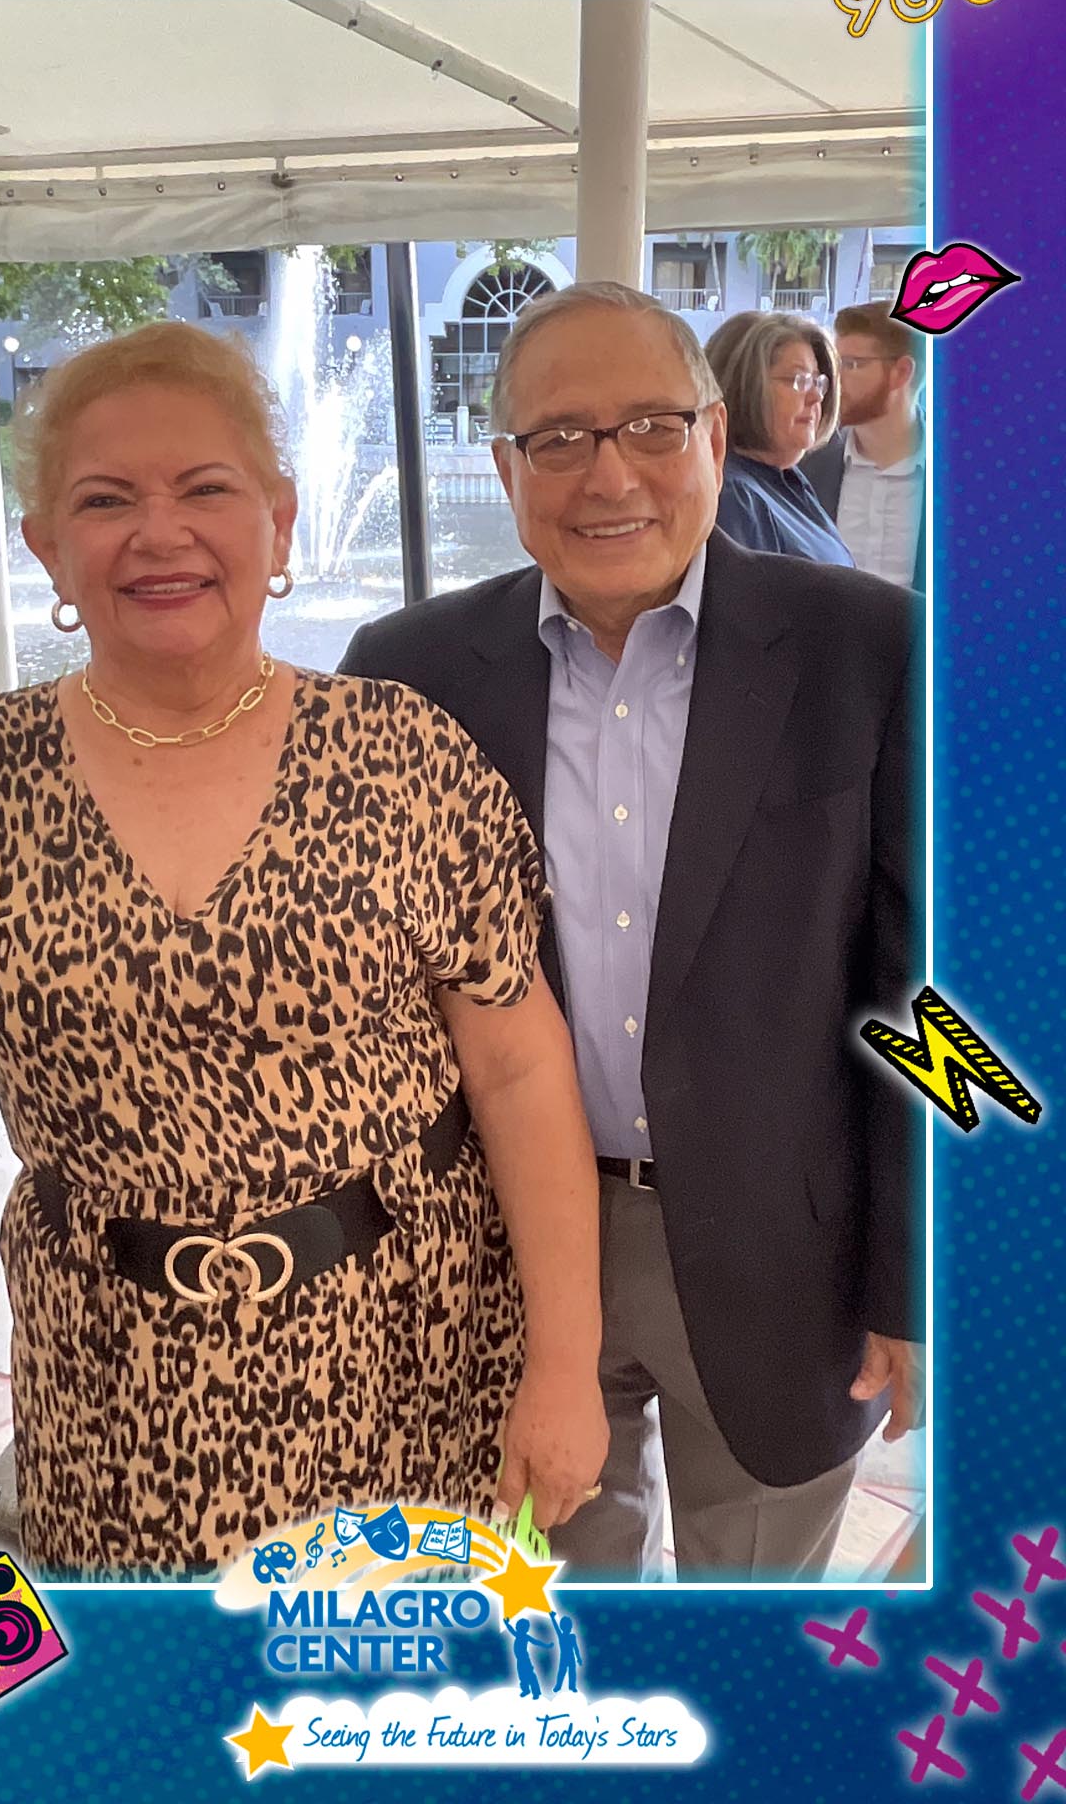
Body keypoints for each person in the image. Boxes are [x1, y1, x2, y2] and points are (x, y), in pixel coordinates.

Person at [0, 321, 607, 1578]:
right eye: (105, 500)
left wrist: (563, 1370)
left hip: (411, 1356)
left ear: (279, 525)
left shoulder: (404, 752)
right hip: (112, 1388)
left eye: (205, 489)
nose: (160, 532)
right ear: (45, 548)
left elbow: (516, 1068)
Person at [341, 281, 922, 1582]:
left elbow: (922, 993)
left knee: (753, 1613)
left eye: (652, 427)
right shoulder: (407, 671)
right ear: (507, 469)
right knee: (552, 1602)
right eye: (558, 438)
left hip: (791, 1253)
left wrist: (918, 1268)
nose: (609, 475)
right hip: (504, 1246)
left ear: (714, 436)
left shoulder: (867, 647)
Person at [703, 310, 854, 566]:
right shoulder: (734, 496)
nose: (816, 397)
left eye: (817, 382)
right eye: (799, 380)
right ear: (744, 386)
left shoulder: (788, 479)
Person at [802, 302, 925, 590]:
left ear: (901, 372)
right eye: (833, 365)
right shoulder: (806, 466)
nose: (833, 381)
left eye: (851, 364)